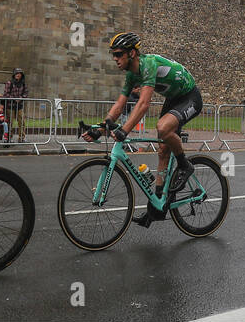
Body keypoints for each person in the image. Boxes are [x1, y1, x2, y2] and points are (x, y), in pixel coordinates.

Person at [86, 32, 203, 228]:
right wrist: (102, 126)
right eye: (113, 55)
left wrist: (124, 130)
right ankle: (156, 207)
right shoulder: (132, 74)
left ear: (132, 53)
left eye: (118, 54)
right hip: (174, 99)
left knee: (163, 128)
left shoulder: (147, 64)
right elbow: (120, 103)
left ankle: (185, 165)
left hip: (190, 96)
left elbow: (143, 104)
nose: (115, 59)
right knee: (163, 150)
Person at [3, 68, 29, 142]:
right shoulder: (9, 83)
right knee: (9, 123)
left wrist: (20, 98)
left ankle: (22, 138)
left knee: (22, 122)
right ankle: (9, 138)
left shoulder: (23, 84)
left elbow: (26, 94)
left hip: (19, 106)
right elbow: (6, 94)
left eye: (20, 74)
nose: (18, 75)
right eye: (17, 73)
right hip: (10, 106)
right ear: (14, 75)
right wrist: (14, 99)